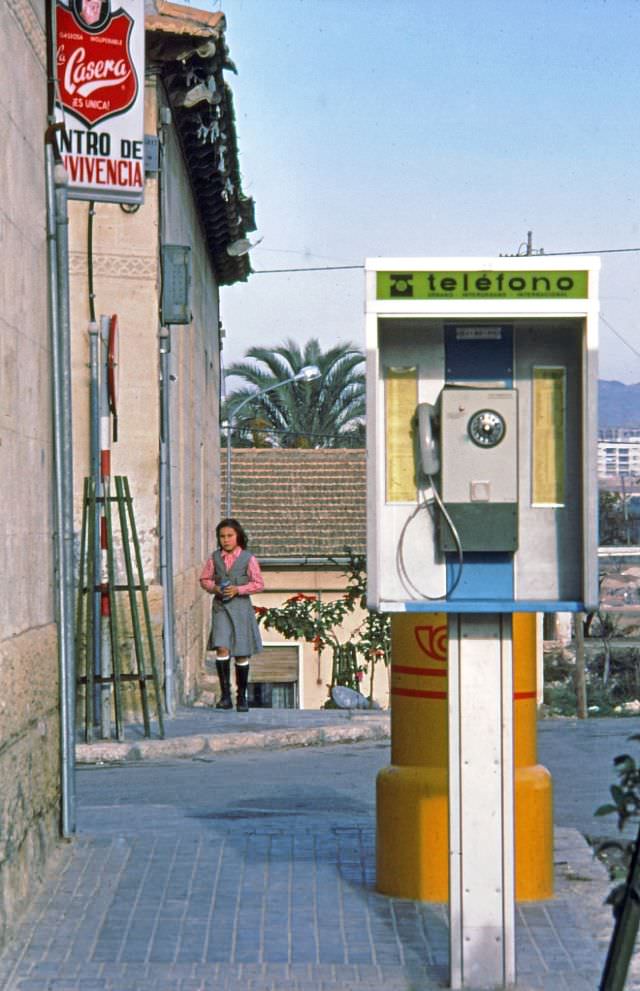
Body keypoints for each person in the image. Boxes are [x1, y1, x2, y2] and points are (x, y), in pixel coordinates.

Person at [199, 518, 264, 712]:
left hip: (241, 608)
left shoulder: (248, 558)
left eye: (230, 536)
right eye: (222, 536)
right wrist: (215, 587)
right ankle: (225, 695)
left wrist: (239, 589)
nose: (226, 540)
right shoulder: (214, 558)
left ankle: (241, 697)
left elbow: (259, 584)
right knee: (222, 647)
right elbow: (204, 579)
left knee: (242, 651)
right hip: (221, 608)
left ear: (238, 537)